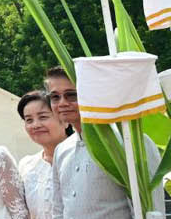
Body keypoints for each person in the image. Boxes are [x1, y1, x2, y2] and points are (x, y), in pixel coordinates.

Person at [45, 66, 164, 218]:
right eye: (55, 97)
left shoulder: (129, 143)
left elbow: (151, 210)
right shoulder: (62, 150)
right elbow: (59, 211)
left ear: (92, 94)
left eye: (71, 95)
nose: (62, 103)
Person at [15, 91, 67, 219]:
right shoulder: (26, 165)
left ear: (65, 121)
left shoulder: (85, 158)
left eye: (43, 117)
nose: (35, 125)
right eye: (29, 120)